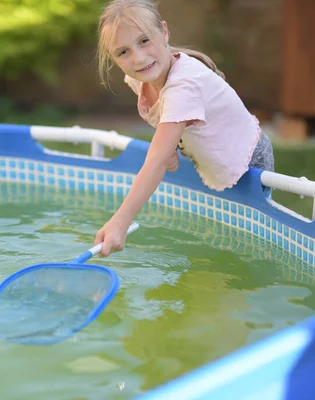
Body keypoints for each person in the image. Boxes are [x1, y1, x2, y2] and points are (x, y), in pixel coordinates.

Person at [93, 0, 275, 257]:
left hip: (247, 160)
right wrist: (171, 145)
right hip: (211, 156)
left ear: (164, 31)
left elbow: (155, 162)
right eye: (123, 52)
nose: (138, 57)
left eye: (144, 41)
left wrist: (120, 222)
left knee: (246, 245)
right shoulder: (143, 76)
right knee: (215, 239)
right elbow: (166, 119)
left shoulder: (184, 85)